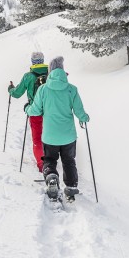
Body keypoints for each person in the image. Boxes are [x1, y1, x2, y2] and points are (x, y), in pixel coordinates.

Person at [26, 56, 89, 201]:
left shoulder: (43, 89)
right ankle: (71, 186)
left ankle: (51, 177)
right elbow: (79, 111)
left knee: (49, 159)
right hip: (68, 136)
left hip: (50, 135)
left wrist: (28, 109)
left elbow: (35, 110)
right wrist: (84, 117)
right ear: (62, 70)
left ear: (50, 71)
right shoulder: (72, 89)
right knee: (68, 160)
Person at [8, 51, 49, 172]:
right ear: (42, 60)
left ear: (32, 61)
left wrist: (11, 89)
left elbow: (16, 93)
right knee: (50, 137)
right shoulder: (51, 73)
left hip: (35, 111)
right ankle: (51, 162)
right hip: (50, 111)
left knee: (37, 139)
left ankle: (42, 164)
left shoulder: (28, 76)